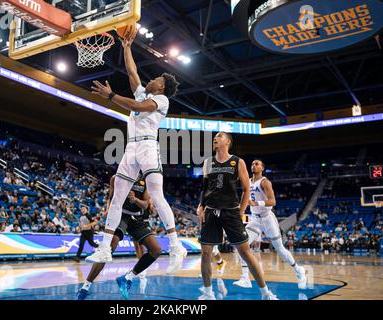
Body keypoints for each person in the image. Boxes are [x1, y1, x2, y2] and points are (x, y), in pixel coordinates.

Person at [86, 35, 186, 274]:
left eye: (156, 79)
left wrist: (110, 97)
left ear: (161, 86)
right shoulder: (144, 93)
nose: (151, 79)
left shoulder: (161, 100)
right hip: (131, 147)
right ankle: (104, 247)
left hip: (149, 147)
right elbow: (132, 73)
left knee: (156, 194)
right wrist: (127, 46)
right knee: (117, 196)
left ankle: (176, 245)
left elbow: (138, 107)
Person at [197, 132, 277, 300]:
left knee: (245, 252)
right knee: (205, 253)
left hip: (231, 211)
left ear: (228, 142)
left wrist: (240, 212)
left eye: (219, 136)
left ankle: (266, 293)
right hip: (211, 211)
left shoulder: (237, 162)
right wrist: (201, 206)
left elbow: (247, 189)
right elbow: (204, 189)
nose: (215, 138)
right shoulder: (207, 163)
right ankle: (208, 293)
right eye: (215, 137)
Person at [77, 174, 162, 300]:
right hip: (120, 215)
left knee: (156, 250)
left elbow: (145, 205)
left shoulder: (146, 181)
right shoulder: (116, 177)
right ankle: (85, 287)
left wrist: (135, 200)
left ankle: (127, 278)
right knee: (108, 250)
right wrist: (108, 210)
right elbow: (111, 198)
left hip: (137, 218)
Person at [233, 160, 307, 290]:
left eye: (257, 164)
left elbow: (273, 201)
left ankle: (298, 270)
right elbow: (245, 198)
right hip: (254, 219)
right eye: (252, 164)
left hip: (267, 218)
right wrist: (240, 212)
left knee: (280, 249)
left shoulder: (265, 182)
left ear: (262, 168)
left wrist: (257, 203)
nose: (253, 165)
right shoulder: (248, 182)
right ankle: (245, 278)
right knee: (241, 244)